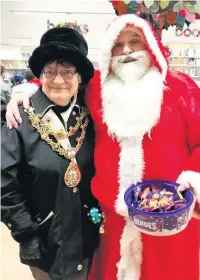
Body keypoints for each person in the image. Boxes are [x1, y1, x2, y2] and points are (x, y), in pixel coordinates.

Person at [4, 14, 200, 280]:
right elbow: (63, 81)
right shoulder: (98, 88)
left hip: (167, 218)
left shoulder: (181, 88)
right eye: (117, 45)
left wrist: (193, 178)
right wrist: (28, 89)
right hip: (112, 219)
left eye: (135, 41)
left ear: (152, 47)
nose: (127, 50)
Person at [1, 27, 102, 280]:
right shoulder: (19, 120)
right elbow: (4, 184)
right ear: (40, 76)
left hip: (87, 236)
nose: (59, 80)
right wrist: (25, 231)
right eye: (50, 72)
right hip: (44, 240)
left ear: (79, 77)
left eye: (67, 72)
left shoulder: (92, 118)